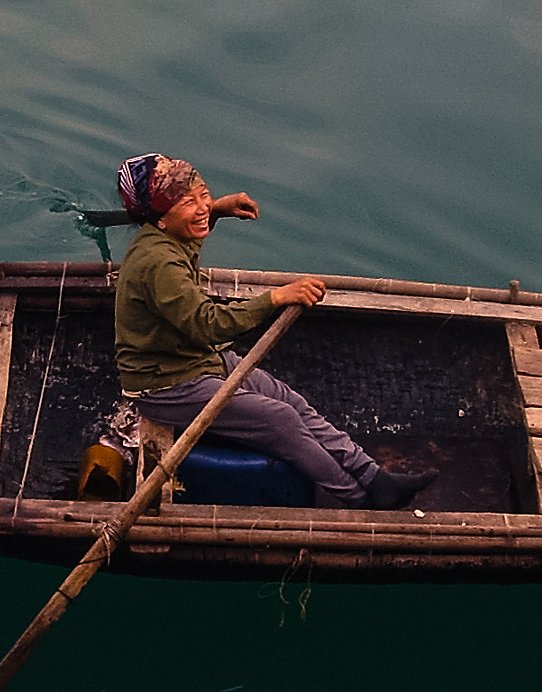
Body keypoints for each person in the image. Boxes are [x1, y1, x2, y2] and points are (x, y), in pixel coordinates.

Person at [111, 153, 437, 511]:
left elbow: (189, 235)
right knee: (279, 420)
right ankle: (359, 499)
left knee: (287, 398)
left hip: (195, 359)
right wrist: (275, 298)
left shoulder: (169, 235)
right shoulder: (159, 263)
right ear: (159, 219)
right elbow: (208, 324)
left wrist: (217, 209)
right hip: (166, 383)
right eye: (188, 202)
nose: (201, 206)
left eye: (202, 193)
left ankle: (374, 477)